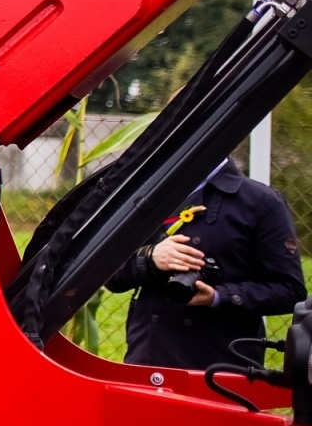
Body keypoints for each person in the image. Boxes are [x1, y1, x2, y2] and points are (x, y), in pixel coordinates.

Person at [107, 158, 306, 370]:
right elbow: (110, 277)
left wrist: (218, 296)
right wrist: (150, 258)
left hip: (221, 365)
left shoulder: (261, 202)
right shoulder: (147, 195)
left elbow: (289, 290)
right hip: (149, 359)